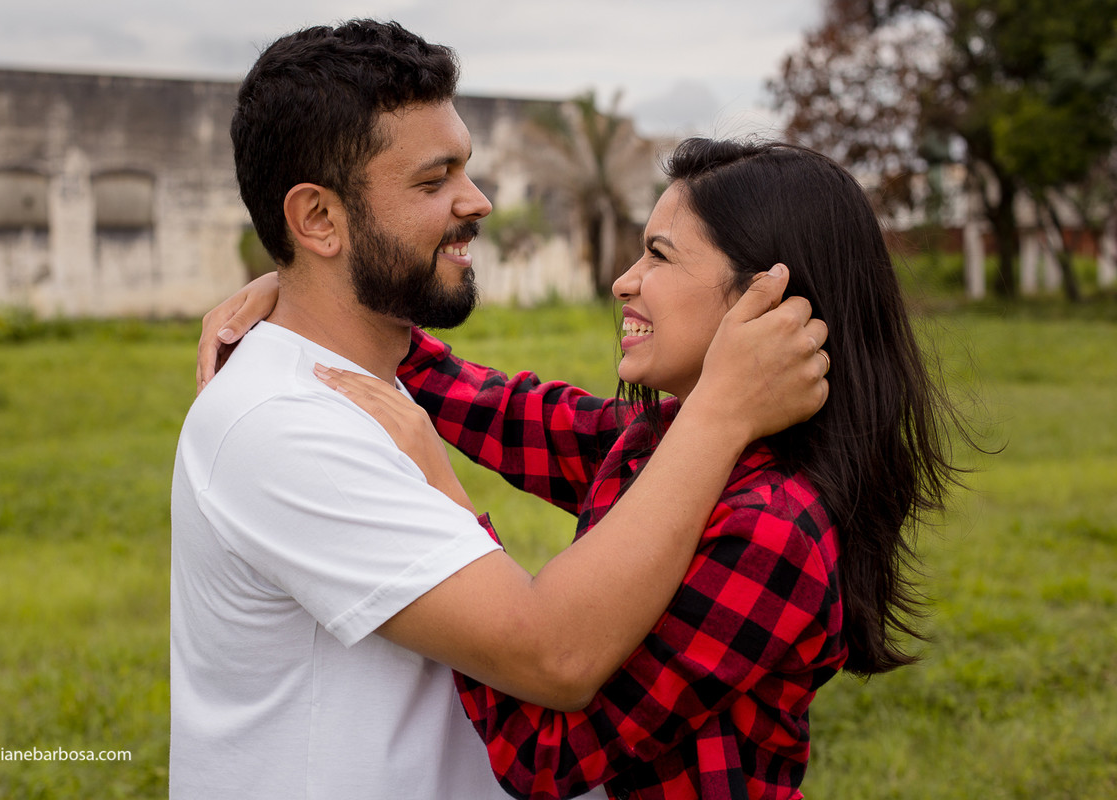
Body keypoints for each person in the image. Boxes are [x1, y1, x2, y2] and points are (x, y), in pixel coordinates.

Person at [173, 20, 829, 800]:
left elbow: (551, 674)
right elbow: (514, 420)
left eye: (657, 256)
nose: (477, 201)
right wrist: (294, 292)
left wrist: (720, 406)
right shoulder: (283, 423)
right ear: (317, 219)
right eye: (433, 179)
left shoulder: (752, 499)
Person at [200, 137, 969, 799]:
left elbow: (543, 750)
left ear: (768, 303)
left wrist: (441, 490)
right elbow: (504, 410)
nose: (624, 280)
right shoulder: (659, 445)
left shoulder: (774, 530)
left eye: (659, 256)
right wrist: (317, 288)